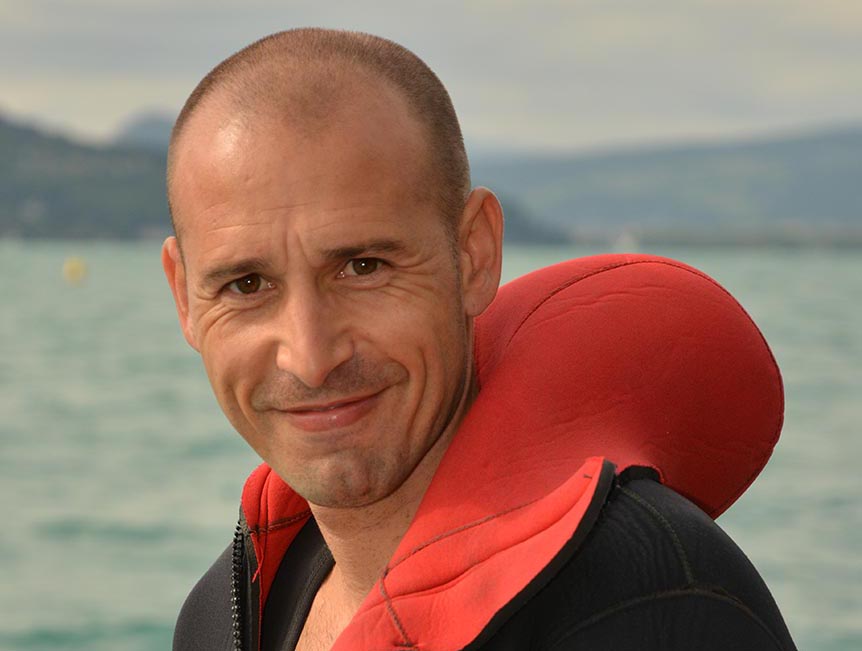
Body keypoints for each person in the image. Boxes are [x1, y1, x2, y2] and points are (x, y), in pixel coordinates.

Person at [162, 28, 798, 651]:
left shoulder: (652, 604)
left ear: (474, 254)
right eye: (246, 284)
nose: (311, 356)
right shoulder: (225, 611)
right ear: (184, 297)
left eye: (363, 267)